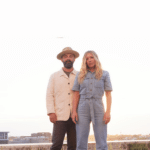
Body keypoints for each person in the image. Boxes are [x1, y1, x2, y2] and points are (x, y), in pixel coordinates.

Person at [72, 51, 112, 150]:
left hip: (98, 107)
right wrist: (74, 111)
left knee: (101, 141)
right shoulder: (80, 74)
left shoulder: (105, 74)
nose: (89, 60)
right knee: (81, 141)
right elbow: (76, 94)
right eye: (87, 58)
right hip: (82, 108)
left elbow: (108, 94)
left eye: (91, 57)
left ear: (96, 58)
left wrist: (108, 112)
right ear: (84, 61)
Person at [46, 47, 79, 150]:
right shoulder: (54, 76)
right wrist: (51, 112)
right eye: (65, 56)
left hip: (76, 117)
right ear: (62, 59)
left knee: (73, 146)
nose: (68, 58)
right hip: (59, 116)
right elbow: (49, 94)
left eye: (70, 56)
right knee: (56, 145)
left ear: (74, 59)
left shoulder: (80, 75)